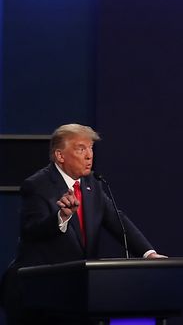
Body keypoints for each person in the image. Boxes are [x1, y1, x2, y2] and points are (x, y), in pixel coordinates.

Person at [0, 124, 165, 323]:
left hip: (76, 294)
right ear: (60, 156)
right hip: (37, 295)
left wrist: (149, 254)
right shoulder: (37, 185)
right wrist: (61, 216)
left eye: (91, 148)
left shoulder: (92, 184)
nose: (89, 155)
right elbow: (32, 231)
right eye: (81, 149)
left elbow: (117, 220)